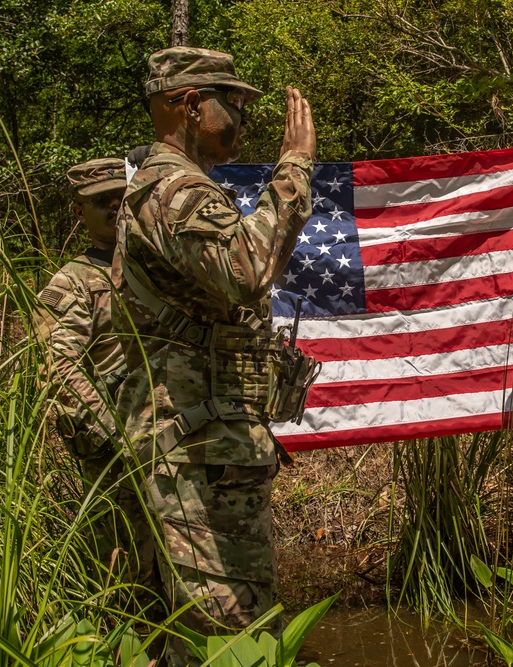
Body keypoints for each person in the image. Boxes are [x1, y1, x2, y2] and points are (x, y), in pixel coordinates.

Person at [110, 46, 315, 664]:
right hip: (198, 454)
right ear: (191, 105)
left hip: (196, 445)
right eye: (234, 103)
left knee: (193, 636)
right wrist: (296, 167)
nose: (244, 119)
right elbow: (247, 267)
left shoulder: (170, 185)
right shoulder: (176, 190)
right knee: (236, 640)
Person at [37, 158, 137, 571]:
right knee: (128, 571)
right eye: (102, 202)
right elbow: (56, 367)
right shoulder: (73, 281)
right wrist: (117, 439)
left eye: (121, 198)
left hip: (174, 440)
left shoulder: (155, 270)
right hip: (118, 454)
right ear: (80, 212)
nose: (115, 208)